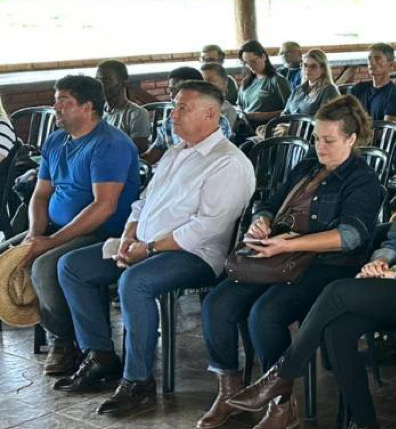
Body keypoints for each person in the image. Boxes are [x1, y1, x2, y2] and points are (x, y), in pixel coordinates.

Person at [224, 114, 396, 429]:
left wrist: (394, 273)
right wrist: (381, 260)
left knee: (336, 291)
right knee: (338, 331)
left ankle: (282, 375)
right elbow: (394, 238)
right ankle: (363, 422)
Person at [54, 81, 255, 415]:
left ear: (210, 114)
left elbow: (207, 229)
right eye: (174, 106)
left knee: (135, 282)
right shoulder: (177, 152)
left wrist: (147, 249)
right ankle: (100, 355)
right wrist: (131, 235)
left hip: (194, 255)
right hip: (146, 244)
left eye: (182, 108)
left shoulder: (228, 162)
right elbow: (143, 202)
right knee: (73, 266)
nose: (172, 114)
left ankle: (138, 382)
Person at [198, 96, 384, 429]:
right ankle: (230, 393)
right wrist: (263, 220)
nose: (319, 146)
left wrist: (292, 242)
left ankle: (281, 406)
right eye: (316, 138)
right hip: (279, 254)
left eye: (329, 140)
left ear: (352, 139)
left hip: (327, 265)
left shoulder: (362, 179)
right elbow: (268, 202)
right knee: (217, 303)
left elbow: (351, 236)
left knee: (265, 314)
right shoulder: (307, 166)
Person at [2, 75, 140, 377]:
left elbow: (103, 206)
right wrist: (37, 233)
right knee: (5, 253)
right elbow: (40, 195)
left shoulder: (109, 144)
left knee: (45, 264)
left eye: (63, 101)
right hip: (55, 225)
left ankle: (63, 341)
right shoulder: (55, 140)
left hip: (103, 231)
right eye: (56, 99)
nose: (55, 107)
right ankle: (63, 334)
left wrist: (48, 243)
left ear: (87, 107)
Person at [95, 60, 150, 151]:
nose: (101, 85)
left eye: (108, 80)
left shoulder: (137, 114)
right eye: (98, 80)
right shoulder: (96, 112)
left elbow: (138, 151)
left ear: (124, 82)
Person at [347, 43, 396, 124]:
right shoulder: (358, 89)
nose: (372, 62)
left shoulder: (395, 95)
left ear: (391, 65)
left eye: (377, 58)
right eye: (369, 58)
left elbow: (387, 132)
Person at [237, 40, 292, 126]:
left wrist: (261, 116)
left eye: (253, 61)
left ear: (263, 57)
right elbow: (239, 106)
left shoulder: (277, 81)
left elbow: (291, 110)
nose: (250, 66)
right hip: (245, 126)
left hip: (267, 128)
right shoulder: (247, 81)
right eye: (246, 63)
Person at [279, 49, 339, 118]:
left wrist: (288, 127)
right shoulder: (298, 89)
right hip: (288, 126)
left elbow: (326, 121)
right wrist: (281, 126)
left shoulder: (329, 90)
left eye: (313, 66)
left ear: (323, 69)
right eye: (305, 65)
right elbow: (285, 113)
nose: (308, 69)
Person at [199, 62, 242, 130]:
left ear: (224, 83)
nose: (204, 85)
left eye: (209, 80)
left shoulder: (227, 111)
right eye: (202, 81)